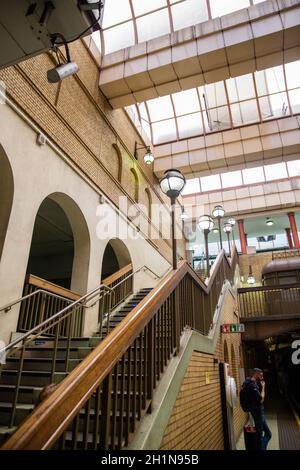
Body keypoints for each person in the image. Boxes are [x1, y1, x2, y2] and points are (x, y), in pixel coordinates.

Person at [243, 368, 272, 450]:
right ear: (256, 374)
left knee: (265, 434)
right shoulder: (252, 386)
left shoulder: (250, 383)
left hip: (258, 413)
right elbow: (261, 399)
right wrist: (263, 387)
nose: (261, 377)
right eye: (260, 375)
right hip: (258, 413)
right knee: (261, 436)